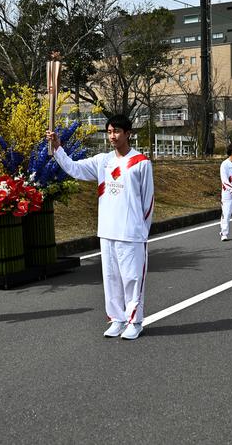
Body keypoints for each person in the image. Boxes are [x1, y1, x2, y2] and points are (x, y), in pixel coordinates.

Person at [47, 115, 154, 340]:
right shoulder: (102, 161)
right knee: (112, 278)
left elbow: (148, 201)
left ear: (128, 134)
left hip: (131, 233)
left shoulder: (141, 162)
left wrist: (142, 231)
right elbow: (74, 168)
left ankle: (135, 321)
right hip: (107, 231)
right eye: (109, 132)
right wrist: (57, 149)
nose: (112, 136)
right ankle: (117, 319)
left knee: (132, 278)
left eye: (116, 131)